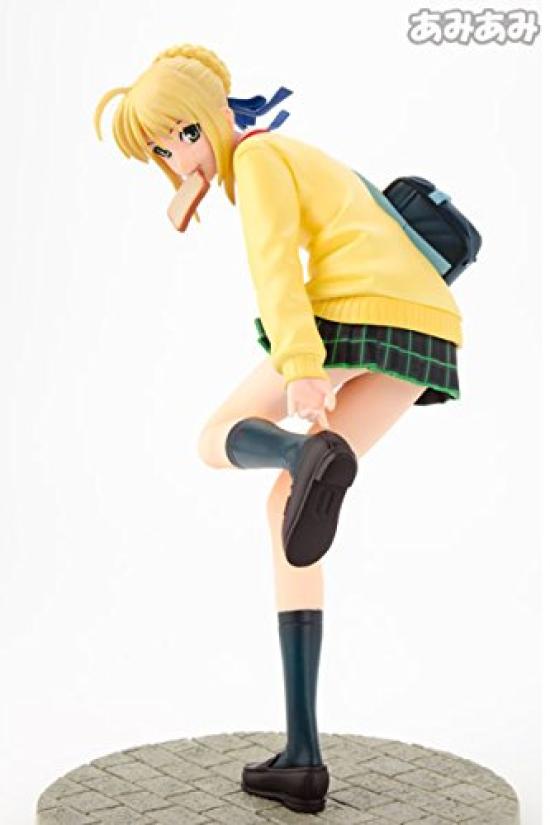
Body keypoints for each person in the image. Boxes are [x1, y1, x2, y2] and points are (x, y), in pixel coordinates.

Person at [94, 43, 464, 815]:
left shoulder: (260, 161)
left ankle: (299, 449)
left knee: (216, 435)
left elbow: (275, 270)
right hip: (425, 332)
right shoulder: (284, 154)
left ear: (208, 118)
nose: (178, 157)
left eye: (181, 136)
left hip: (355, 314)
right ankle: (302, 757)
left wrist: (301, 366)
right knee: (284, 509)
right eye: (161, 151)